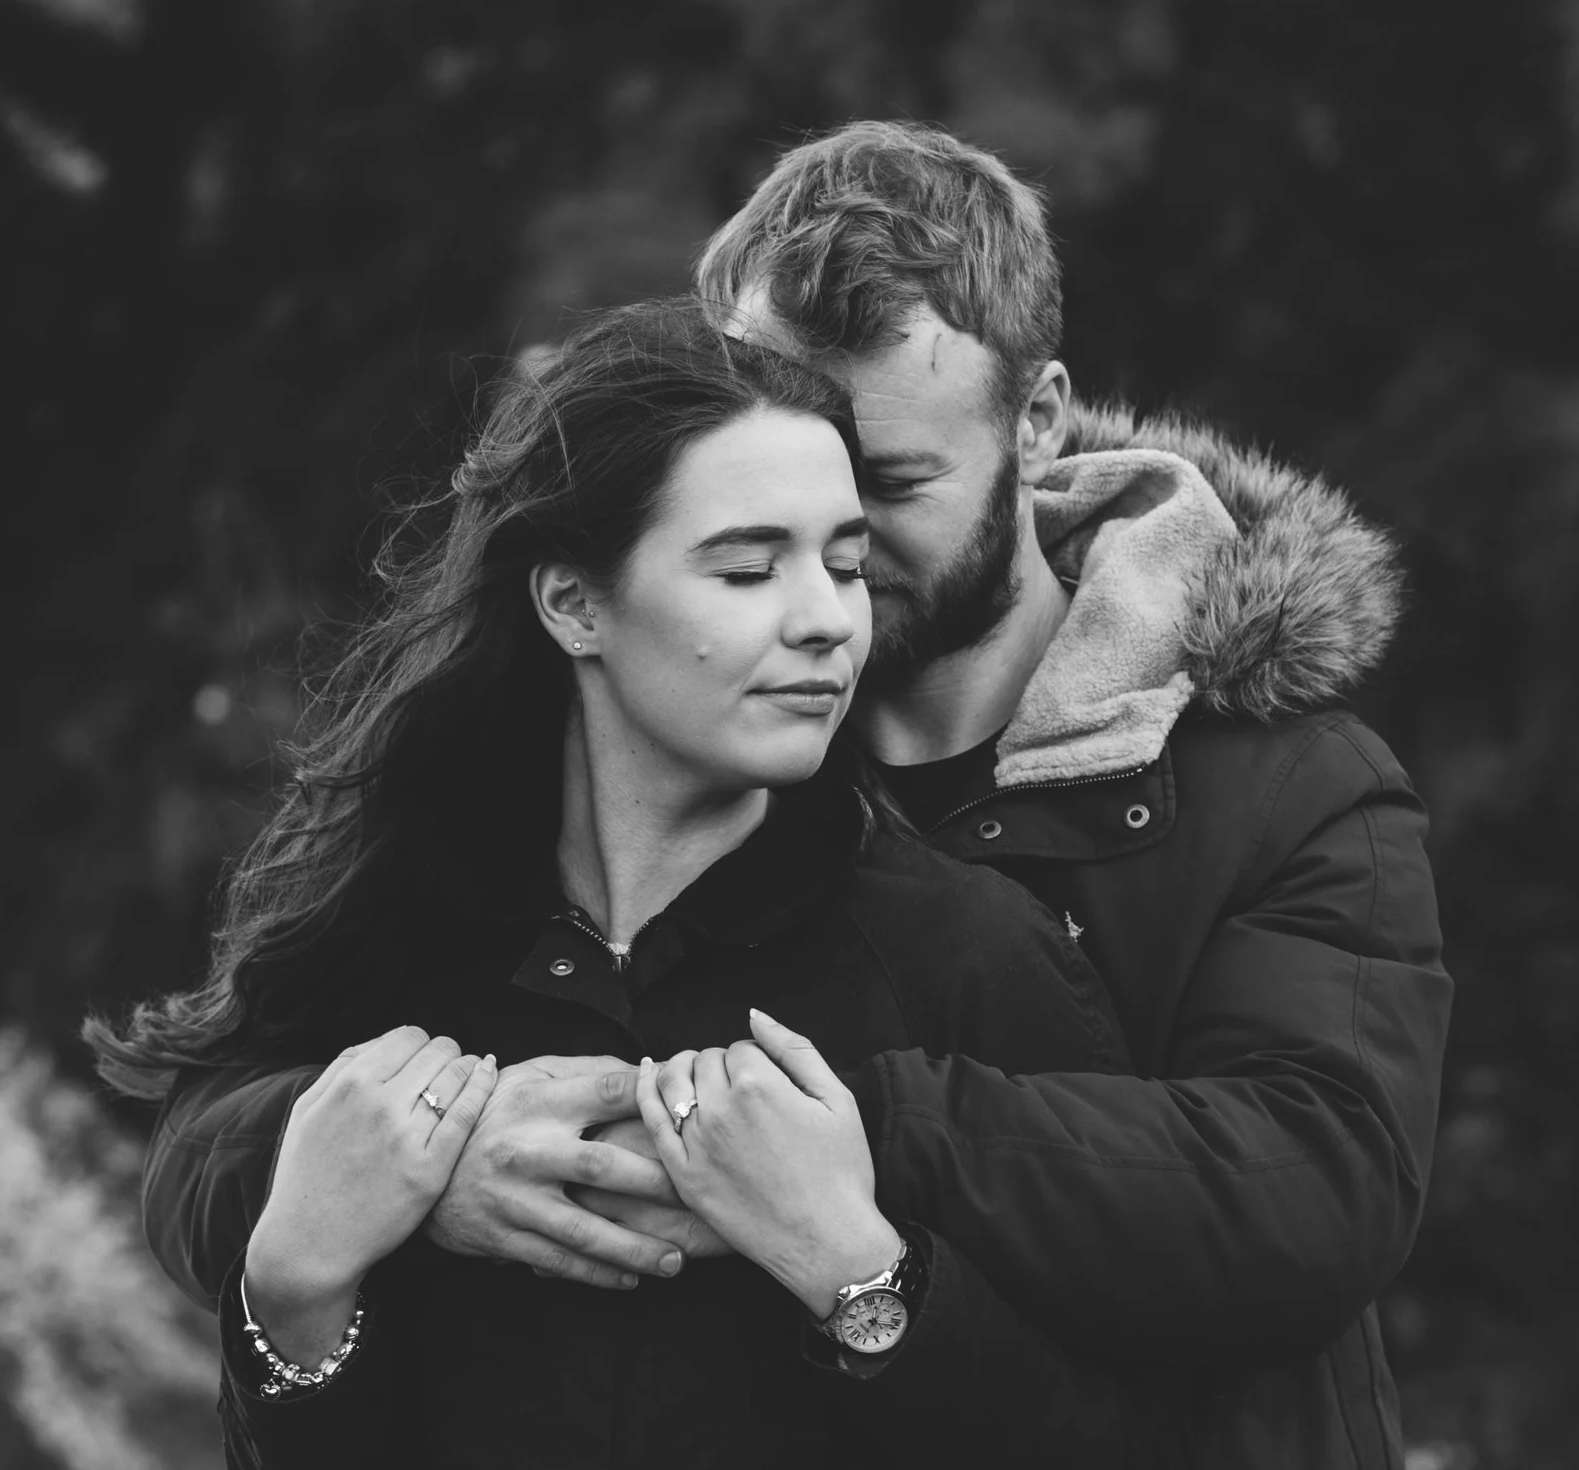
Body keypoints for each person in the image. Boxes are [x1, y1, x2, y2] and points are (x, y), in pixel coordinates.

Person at [141, 122, 1453, 1467]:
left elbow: (1317, 1186)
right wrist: (423, 1159)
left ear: (1039, 419)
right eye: (757, 516)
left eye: (877, 490)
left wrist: (854, 1147)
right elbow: (221, 1126)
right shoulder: (640, 772)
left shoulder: (1279, 779)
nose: (832, 591)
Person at [88, 300, 1141, 1467]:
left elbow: (1121, 1425)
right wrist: (297, 1278)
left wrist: (857, 1272)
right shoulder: (404, 918)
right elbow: (216, 1159)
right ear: (573, 603)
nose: (826, 621)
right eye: (748, 567)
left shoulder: (970, 954)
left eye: (845, 564)